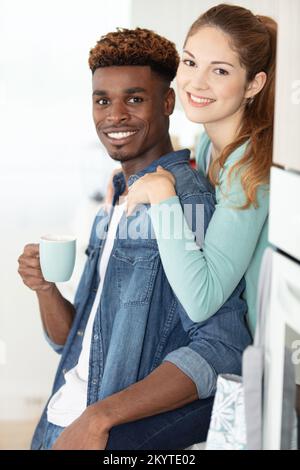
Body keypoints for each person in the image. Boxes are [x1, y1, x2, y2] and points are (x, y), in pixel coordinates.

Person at [18, 27, 251, 451]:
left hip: (103, 432)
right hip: (61, 419)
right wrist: (45, 288)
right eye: (102, 100)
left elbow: (221, 346)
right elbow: (73, 341)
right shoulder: (116, 198)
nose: (115, 115)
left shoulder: (186, 202)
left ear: (167, 103)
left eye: (135, 99)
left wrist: (100, 417)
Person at [127, 4, 276, 335]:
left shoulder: (248, 168)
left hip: (268, 356)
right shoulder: (209, 145)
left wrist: (161, 194)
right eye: (190, 62)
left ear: (253, 84)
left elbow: (201, 299)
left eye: (220, 71)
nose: (196, 82)